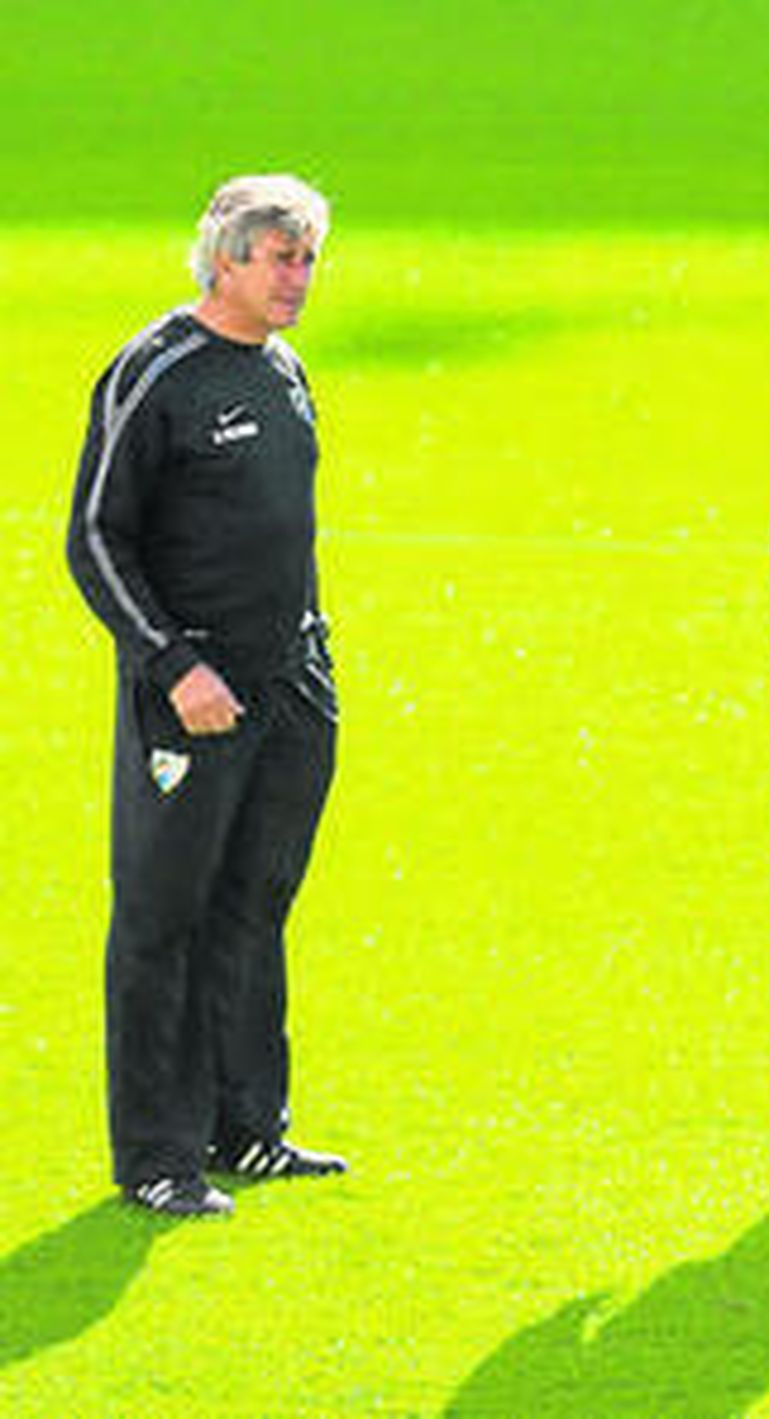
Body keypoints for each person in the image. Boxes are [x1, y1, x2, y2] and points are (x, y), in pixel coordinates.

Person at [66, 174, 348, 1217]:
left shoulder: (283, 370)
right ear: (225, 257)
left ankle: (247, 1129)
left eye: (309, 257)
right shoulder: (157, 373)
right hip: (191, 698)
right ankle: (154, 1155)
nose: (300, 278)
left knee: (255, 906)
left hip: (289, 689)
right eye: (281, 256)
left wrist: (313, 649)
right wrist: (174, 665)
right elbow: (93, 539)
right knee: (161, 917)